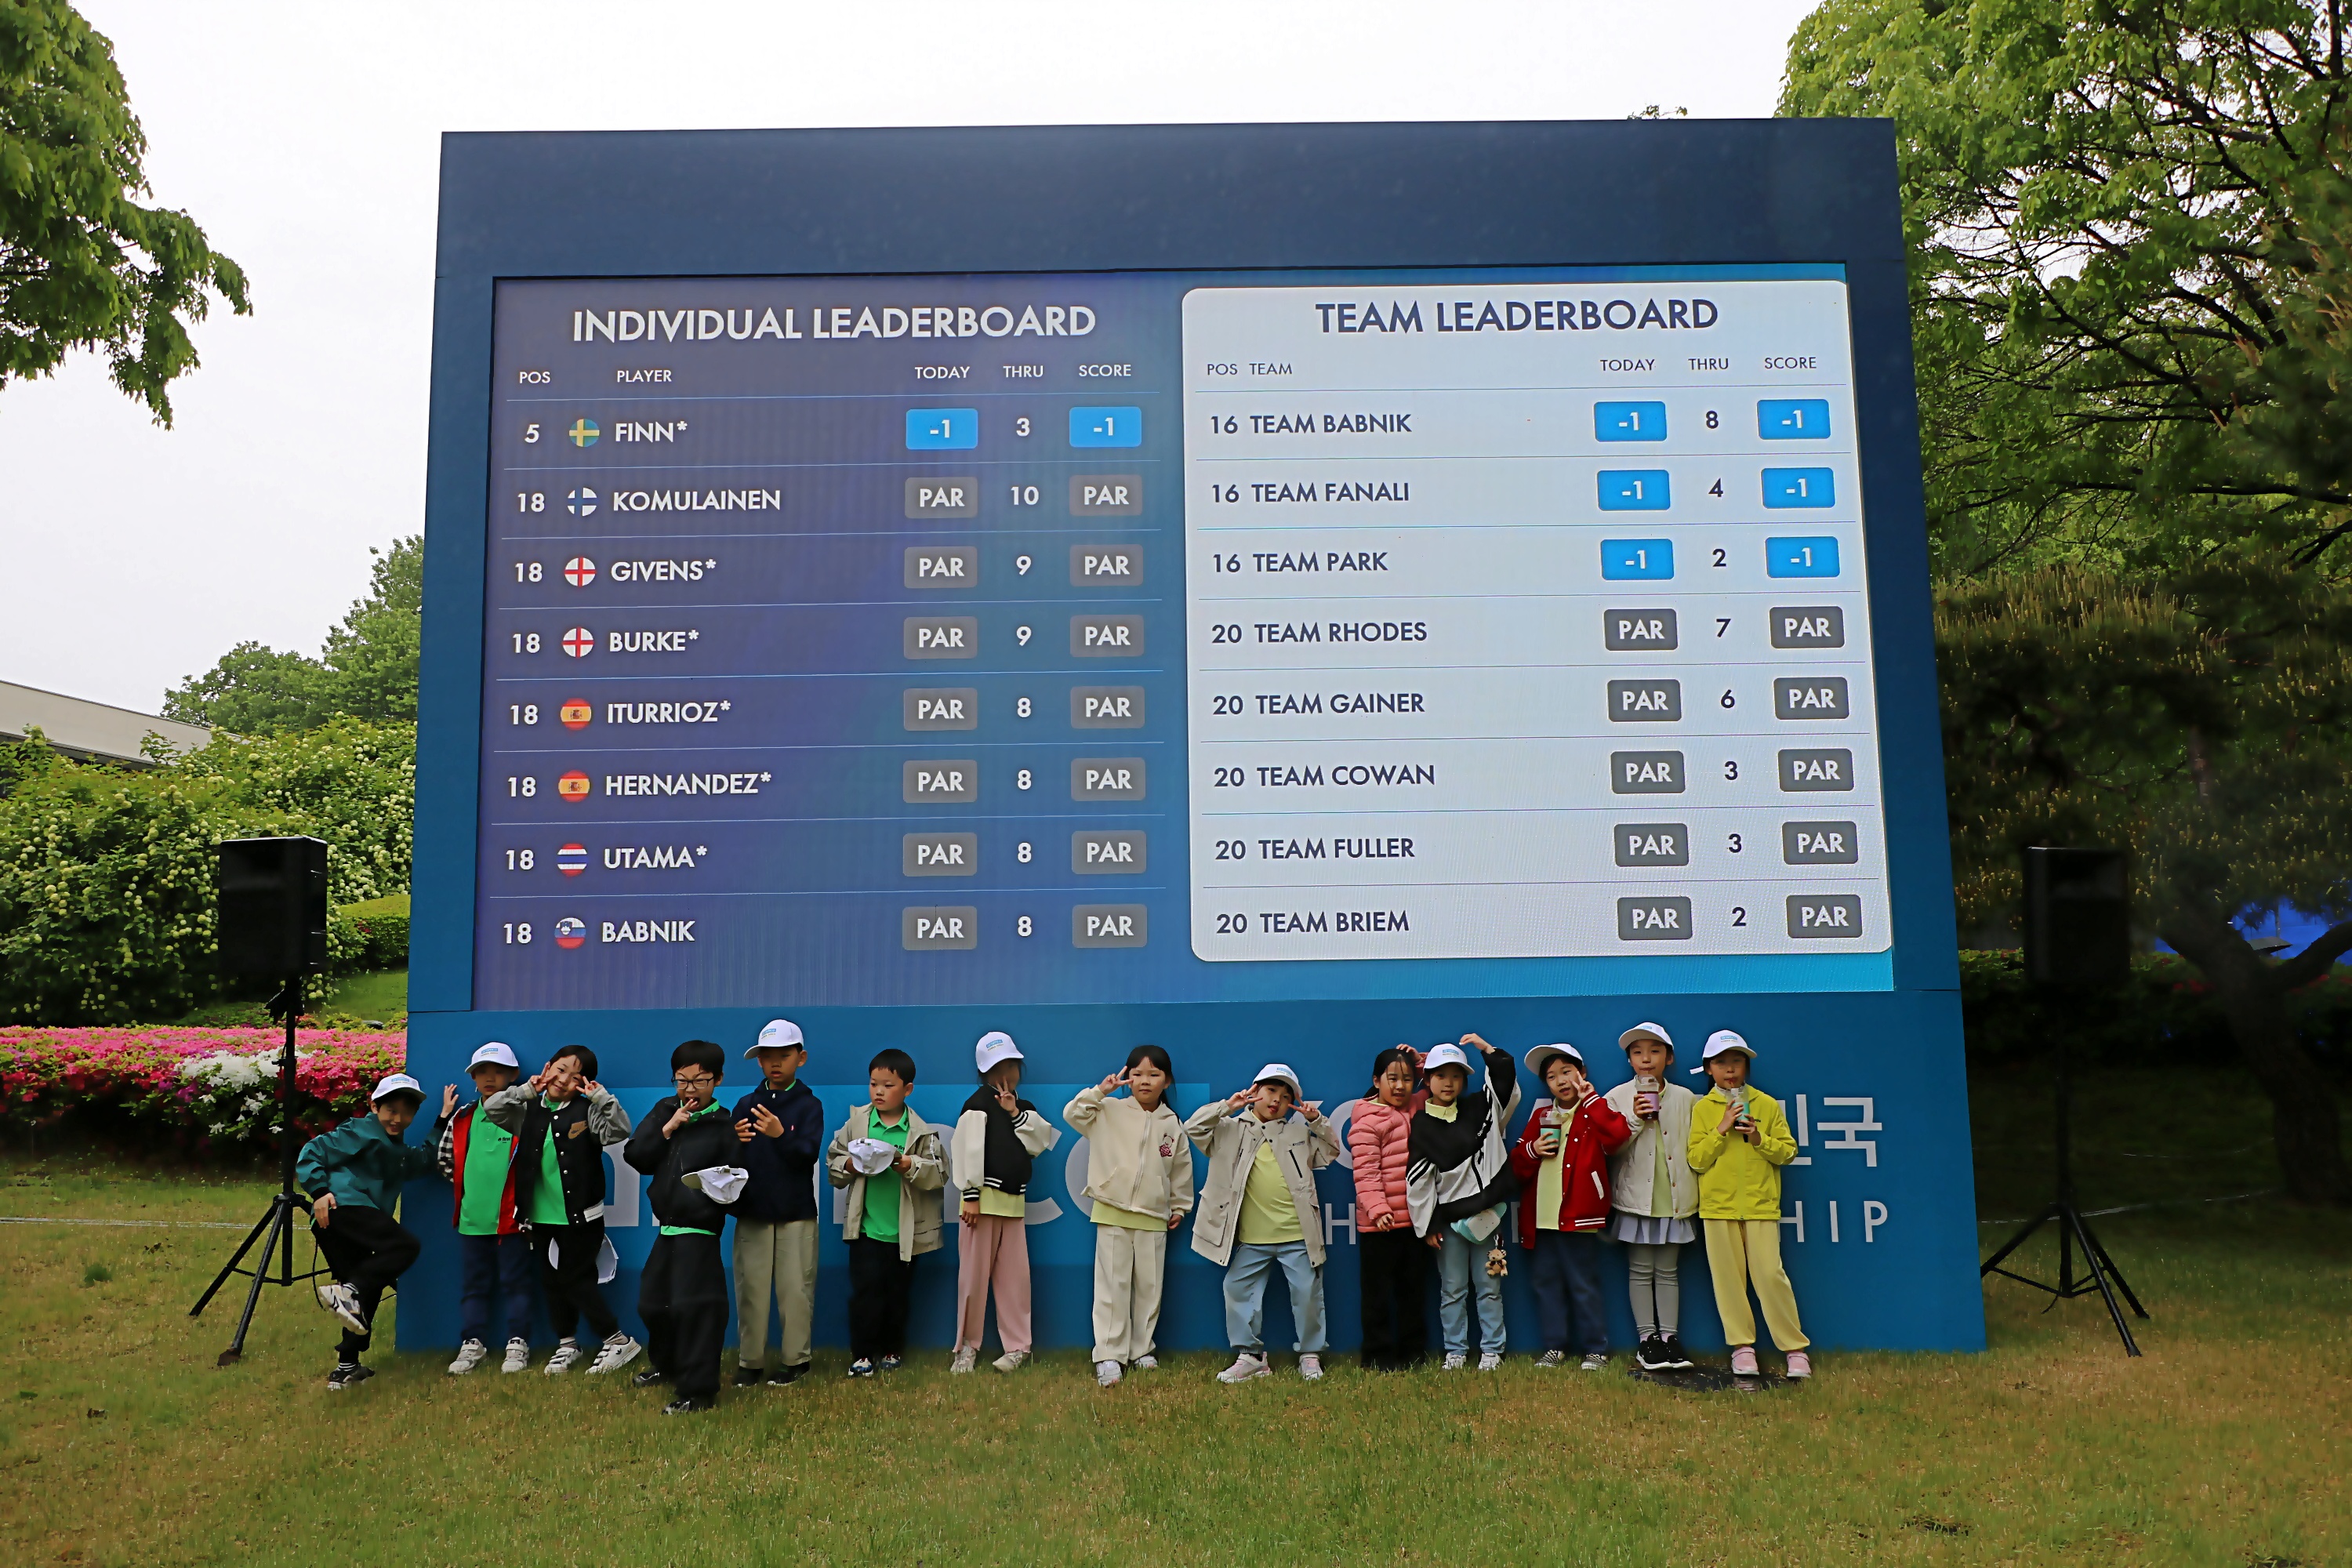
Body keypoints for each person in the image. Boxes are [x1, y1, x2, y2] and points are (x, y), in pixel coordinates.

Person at [481, 1043, 640, 1377]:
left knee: (576, 1279)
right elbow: (492, 1108)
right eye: (561, 1069)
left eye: (576, 1077)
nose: (564, 1079)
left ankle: (618, 1340)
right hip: (538, 1217)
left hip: (581, 1217)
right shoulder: (527, 1108)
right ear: (548, 1067)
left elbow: (620, 1130)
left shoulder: (587, 1109)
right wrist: (526, 1090)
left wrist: (601, 1098)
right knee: (552, 1282)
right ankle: (567, 1344)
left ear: (584, 1084)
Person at [1185, 1063, 1341, 1384]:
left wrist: (1317, 1121)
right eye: (1271, 1091)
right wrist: (1227, 1106)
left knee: (1307, 1293)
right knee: (1236, 1287)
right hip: (1252, 1239)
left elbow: (1331, 1151)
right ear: (1254, 1091)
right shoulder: (1228, 1127)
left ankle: (1310, 1355)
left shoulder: (1298, 1131)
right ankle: (1252, 1358)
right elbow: (1193, 1128)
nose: (1276, 1100)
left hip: (1297, 1235)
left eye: (1285, 1096)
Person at [298, 1071, 441, 1390]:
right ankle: (349, 1291)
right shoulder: (361, 1130)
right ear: (374, 1107)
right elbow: (313, 1151)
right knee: (404, 1247)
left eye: (406, 1112)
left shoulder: (395, 1150)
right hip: (343, 1208)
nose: (398, 1118)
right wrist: (319, 1191)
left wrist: (442, 1122)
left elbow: (421, 1161)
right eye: (391, 1110)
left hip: (338, 1222)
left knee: (366, 1290)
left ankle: (346, 1368)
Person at [622, 1040, 742, 1414]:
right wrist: (669, 1128)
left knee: (697, 1310)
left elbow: (738, 1185)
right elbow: (636, 1156)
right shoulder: (665, 1110)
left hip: (700, 1231)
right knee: (652, 1304)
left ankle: (698, 1391)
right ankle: (668, 1365)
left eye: (700, 1081)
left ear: (718, 1080)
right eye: (682, 1080)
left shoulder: (725, 1126)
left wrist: (716, 1187)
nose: (690, 1090)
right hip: (666, 1229)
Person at [1064, 1044, 1192, 1387]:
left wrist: (1179, 1206)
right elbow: (1072, 1115)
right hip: (1112, 1211)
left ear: (1167, 1081)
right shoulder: (1108, 1109)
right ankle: (1109, 1355)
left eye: (1154, 1074)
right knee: (1112, 1287)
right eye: (1137, 1074)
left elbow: (1180, 1169)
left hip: (1154, 1216)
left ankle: (1142, 1351)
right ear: (1127, 1077)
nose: (1145, 1081)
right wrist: (1100, 1091)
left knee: (1150, 1288)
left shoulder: (1172, 1123)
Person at [1686, 1029, 1811, 1380]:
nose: (1730, 1069)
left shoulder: (1766, 1104)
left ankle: (1795, 1350)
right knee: (1728, 1281)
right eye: (1721, 1063)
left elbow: (1787, 1152)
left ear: (1746, 1066)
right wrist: (1721, 1129)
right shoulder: (1703, 1108)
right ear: (1708, 1069)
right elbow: (1696, 1159)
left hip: (1760, 1204)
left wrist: (1758, 1137)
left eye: (1736, 1061)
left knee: (1771, 1276)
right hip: (1717, 1208)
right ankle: (1742, 1348)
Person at [826, 1047, 946, 1377]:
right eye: (873, 1084)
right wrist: (850, 1165)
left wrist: (909, 1165)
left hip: (905, 1234)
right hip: (866, 1230)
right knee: (865, 1294)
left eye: (888, 1085)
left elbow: (940, 1174)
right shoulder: (857, 1123)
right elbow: (833, 1162)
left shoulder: (920, 1131)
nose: (878, 1091)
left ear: (907, 1089)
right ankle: (863, 1355)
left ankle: (892, 1350)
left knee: (897, 1295)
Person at [1510, 1043, 1631, 1370]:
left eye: (1567, 1072)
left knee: (1583, 1284)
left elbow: (1618, 1136)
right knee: (1546, 1284)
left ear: (1582, 1073)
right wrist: (1533, 1150)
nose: (1561, 1081)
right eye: (1552, 1077)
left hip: (1578, 1217)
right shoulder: (1541, 1116)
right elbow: (1516, 1166)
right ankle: (1554, 1347)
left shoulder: (1594, 1110)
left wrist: (1591, 1100)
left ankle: (1595, 1350)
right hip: (1541, 1220)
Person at [1407, 1034, 1520, 1371]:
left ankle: (1492, 1351)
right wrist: (1427, 1224)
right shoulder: (1422, 1124)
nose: (1449, 1083)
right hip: (1450, 1224)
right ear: (1427, 1080)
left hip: (1488, 1217)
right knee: (1452, 1290)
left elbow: (1504, 1086)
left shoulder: (1480, 1108)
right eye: (1441, 1075)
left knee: (1489, 1287)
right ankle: (1455, 1351)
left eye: (1456, 1076)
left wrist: (1489, 1052)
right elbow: (1418, 1181)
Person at [949, 1030, 1055, 1374]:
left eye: (1011, 1065)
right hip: (980, 1205)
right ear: (984, 1072)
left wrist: (1014, 1112)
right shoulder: (976, 1105)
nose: (1005, 1073)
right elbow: (966, 1150)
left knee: (1015, 1281)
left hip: (1013, 1204)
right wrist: (971, 1196)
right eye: (996, 1067)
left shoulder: (1024, 1109)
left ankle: (1018, 1348)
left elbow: (1039, 1143)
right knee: (973, 1280)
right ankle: (966, 1349)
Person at [728, 1018, 825, 1388]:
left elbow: (807, 1155)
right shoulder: (745, 1104)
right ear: (758, 1061)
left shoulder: (809, 1105)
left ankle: (796, 1362)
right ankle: (750, 1363)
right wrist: (733, 1141)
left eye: (784, 1055)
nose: (775, 1063)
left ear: (801, 1058)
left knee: (795, 1291)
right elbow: (729, 1164)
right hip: (752, 1213)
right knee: (750, 1291)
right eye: (767, 1056)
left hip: (795, 1214)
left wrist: (780, 1134)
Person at [1602, 1021, 1700, 1372]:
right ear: (1629, 1060)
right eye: (1637, 1052)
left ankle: (1671, 1338)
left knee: (1668, 1271)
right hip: (1636, 1198)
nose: (1646, 1059)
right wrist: (1635, 1117)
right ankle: (1647, 1340)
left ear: (1669, 1058)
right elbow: (1610, 1148)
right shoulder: (1616, 1097)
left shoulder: (1687, 1098)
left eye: (1655, 1051)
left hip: (1674, 1199)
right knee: (1641, 1270)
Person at [435, 1042, 535, 1375]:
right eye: (482, 1072)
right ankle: (472, 1343)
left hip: (513, 1222)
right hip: (472, 1222)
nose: (489, 1078)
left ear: (513, 1075)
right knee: (474, 1286)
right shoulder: (463, 1117)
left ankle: (518, 1344)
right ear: (473, 1078)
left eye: (498, 1071)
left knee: (516, 1284)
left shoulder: (525, 1114)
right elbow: (445, 1162)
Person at [1348, 1045, 1427, 1370]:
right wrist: (1378, 1209)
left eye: (1407, 1079)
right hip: (1379, 1225)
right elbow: (1366, 1172)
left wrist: (1419, 1063)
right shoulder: (1367, 1120)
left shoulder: (1418, 1106)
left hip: (1414, 1222)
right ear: (1376, 1081)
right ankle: (1377, 1358)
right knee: (1377, 1297)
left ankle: (1414, 1356)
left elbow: (1437, 1084)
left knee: (1413, 1294)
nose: (1399, 1086)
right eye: (1392, 1078)